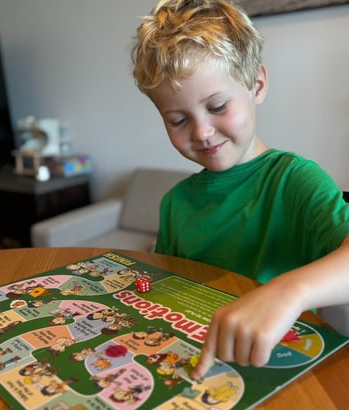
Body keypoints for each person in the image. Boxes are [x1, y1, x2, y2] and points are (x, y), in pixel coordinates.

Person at [131, 0, 349, 379]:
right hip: (202, 362)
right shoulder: (174, 203)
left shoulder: (294, 180)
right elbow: (168, 287)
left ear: (257, 85)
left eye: (217, 106)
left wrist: (288, 292)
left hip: (279, 368)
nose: (201, 132)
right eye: (178, 119)